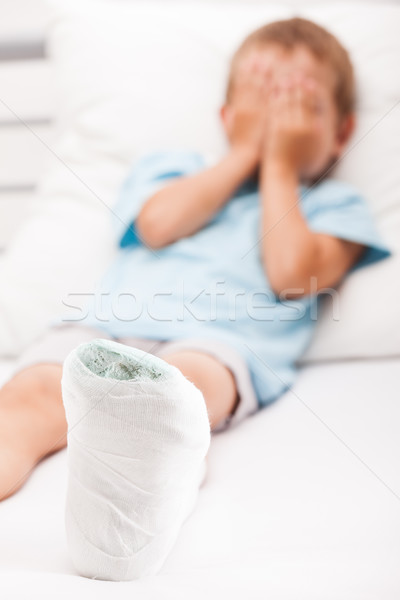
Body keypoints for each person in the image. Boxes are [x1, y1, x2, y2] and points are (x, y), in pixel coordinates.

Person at [0, 17, 391, 581]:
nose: (279, 112)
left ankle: (130, 503)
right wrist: (245, 155)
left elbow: (291, 275)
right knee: (31, 393)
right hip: (107, 325)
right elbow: (158, 225)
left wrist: (278, 161)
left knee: (179, 392)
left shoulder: (334, 208)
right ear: (228, 118)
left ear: (341, 132)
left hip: (221, 344)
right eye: (263, 94)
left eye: (300, 101)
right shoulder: (174, 169)